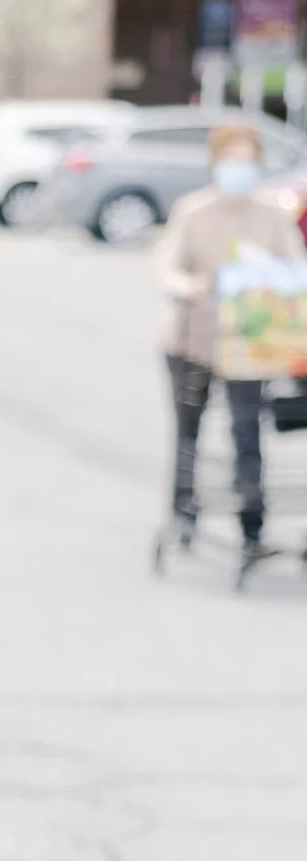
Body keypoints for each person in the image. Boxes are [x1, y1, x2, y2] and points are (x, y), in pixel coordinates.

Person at [156, 122, 306, 562]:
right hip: (193, 341)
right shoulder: (193, 211)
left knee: (246, 430)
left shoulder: (272, 215)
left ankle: (252, 525)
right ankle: (184, 513)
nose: (239, 170)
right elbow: (166, 266)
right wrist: (191, 286)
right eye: (231, 161)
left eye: (247, 161)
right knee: (190, 432)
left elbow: (295, 269)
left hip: (248, 348)